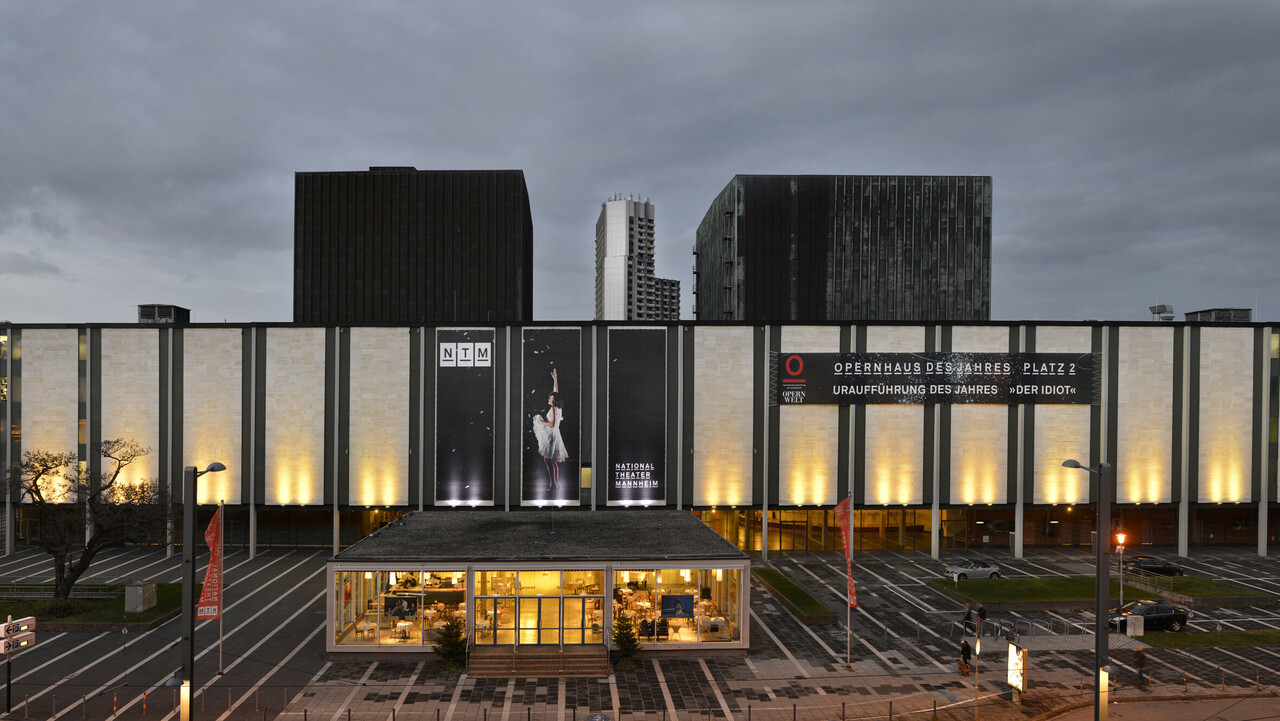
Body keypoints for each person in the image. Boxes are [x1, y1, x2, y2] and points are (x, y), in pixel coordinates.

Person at [532, 368, 569, 491]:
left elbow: (552, 424)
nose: (548, 399)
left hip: (552, 434)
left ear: (553, 400)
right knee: (552, 461)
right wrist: (555, 379)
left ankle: (552, 484)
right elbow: (556, 392)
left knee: (549, 460)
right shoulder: (557, 406)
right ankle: (556, 483)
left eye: (550, 398)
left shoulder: (553, 408)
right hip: (555, 434)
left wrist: (541, 422)